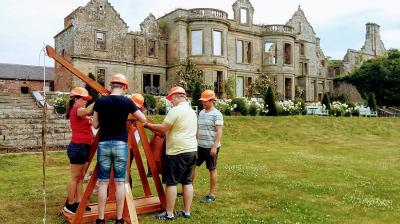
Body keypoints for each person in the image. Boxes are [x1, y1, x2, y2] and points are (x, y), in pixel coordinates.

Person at [92, 74, 146, 224]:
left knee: (103, 183)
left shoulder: (100, 101)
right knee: (120, 182)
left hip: (103, 143)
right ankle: (119, 219)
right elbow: (143, 119)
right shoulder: (127, 102)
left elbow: (95, 125)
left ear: (111, 85)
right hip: (121, 144)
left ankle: (101, 219)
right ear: (124, 87)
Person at [144, 86, 197, 220]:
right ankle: (186, 212)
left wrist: (147, 125)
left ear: (177, 96)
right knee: (187, 182)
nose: (170, 101)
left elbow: (163, 129)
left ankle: (169, 214)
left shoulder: (176, 110)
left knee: (171, 183)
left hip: (177, 152)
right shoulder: (191, 111)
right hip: (191, 150)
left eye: (170, 98)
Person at [64, 87, 95, 214]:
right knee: (75, 177)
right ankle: (70, 205)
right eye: (84, 99)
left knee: (81, 177)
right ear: (76, 99)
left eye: (87, 100)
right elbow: (87, 110)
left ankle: (79, 202)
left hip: (84, 147)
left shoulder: (82, 112)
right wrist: (101, 100)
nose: (86, 101)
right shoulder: (77, 109)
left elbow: (90, 119)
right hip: (78, 147)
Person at [193, 90, 223, 203]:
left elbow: (219, 131)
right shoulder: (201, 113)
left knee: (212, 169)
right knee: (192, 166)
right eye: (202, 101)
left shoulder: (217, 114)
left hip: (211, 147)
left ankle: (212, 194)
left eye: (205, 101)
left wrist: (215, 147)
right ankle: (190, 189)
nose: (203, 103)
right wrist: (194, 140)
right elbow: (198, 128)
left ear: (211, 100)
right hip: (199, 146)